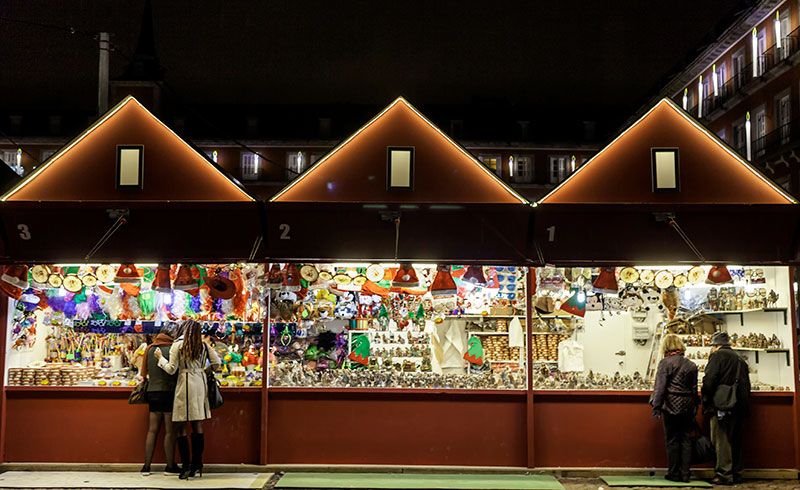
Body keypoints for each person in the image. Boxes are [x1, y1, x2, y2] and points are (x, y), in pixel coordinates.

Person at [155, 320, 221, 479]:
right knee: (197, 424)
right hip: (200, 385)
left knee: (180, 426)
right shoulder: (204, 345)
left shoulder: (177, 345)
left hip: (184, 385)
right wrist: (203, 371)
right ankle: (197, 464)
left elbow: (171, 369)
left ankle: (185, 466)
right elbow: (217, 363)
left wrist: (160, 358)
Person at [702, 331, 751, 485]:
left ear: (716, 345)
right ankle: (736, 473)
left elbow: (709, 380)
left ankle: (724, 474)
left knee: (721, 440)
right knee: (736, 440)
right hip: (739, 406)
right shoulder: (740, 359)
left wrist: (706, 400)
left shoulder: (717, 357)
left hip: (721, 404)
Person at [650, 333, 698, 483]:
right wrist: (694, 406)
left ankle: (673, 473)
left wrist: (656, 406)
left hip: (670, 405)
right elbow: (694, 389)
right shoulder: (691, 364)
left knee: (672, 440)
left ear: (666, 347)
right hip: (688, 406)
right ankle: (685, 474)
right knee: (686, 439)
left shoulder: (665, 363)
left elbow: (660, 387)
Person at [139, 325, 179, 476]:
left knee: (152, 430)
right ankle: (169, 467)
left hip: (153, 392)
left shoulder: (149, 349)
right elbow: (176, 372)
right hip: (169, 392)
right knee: (170, 431)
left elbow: (143, 373)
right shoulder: (173, 349)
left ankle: (146, 467)